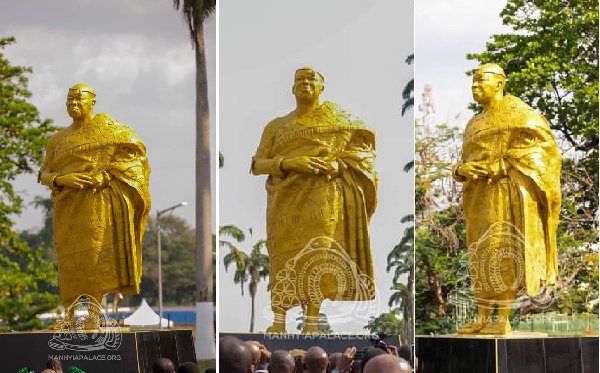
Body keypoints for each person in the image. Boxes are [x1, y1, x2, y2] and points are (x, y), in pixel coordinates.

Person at [252, 67, 378, 333]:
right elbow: (257, 164)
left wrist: (337, 165)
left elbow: (363, 154)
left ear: (322, 87)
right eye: (299, 79)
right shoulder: (276, 126)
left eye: (312, 79)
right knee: (282, 257)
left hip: (324, 197)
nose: (305, 83)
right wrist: (290, 163)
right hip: (285, 200)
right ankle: (278, 321)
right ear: (292, 89)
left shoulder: (341, 120)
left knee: (318, 254)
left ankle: (311, 320)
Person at [452, 63, 561, 334]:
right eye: (473, 82)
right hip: (477, 195)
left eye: (481, 82)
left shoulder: (521, 114)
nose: (475, 87)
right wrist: (460, 170)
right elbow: (464, 160)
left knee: (503, 250)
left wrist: (503, 166)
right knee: (480, 254)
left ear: (500, 83)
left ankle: (502, 318)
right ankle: (482, 317)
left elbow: (542, 150)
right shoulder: (473, 123)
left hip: (506, 192)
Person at [39, 84, 151, 329]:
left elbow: (134, 157)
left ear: (93, 101)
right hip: (67, 207)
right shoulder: (57, 139)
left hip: (98, 204)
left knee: (96, 257)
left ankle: (93, 315)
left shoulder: (110, 130)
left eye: (79, 98)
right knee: (68, 261)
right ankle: (69, 316)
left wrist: (107, 176)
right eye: (69, 99)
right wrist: (60, 179)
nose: (73, 103)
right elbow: (44, 172)